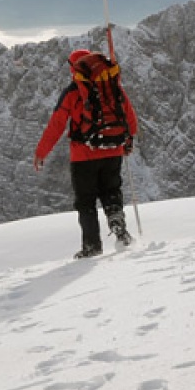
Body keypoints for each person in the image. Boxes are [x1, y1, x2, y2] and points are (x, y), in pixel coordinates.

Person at [34, 49, 139, 258]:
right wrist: (128, 140)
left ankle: (92, 246)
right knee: (111, 192)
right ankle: (118, 224)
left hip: (84, 156)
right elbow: (129, 117)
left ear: (75, 68)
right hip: (113, 150)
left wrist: (41, 152)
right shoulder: (112, 87)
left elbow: (57, 124)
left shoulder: (73, 92)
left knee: (86, 201)